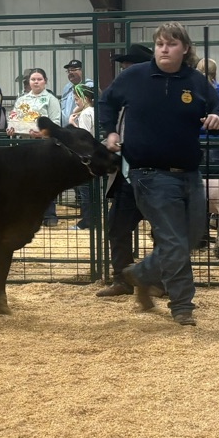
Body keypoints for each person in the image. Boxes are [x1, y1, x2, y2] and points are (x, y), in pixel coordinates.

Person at [99, 22, 219, 326]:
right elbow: (107, 101)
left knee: (191, 238)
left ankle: (141, 274)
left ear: (185, 49)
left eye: (171, 44)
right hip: (150, 174)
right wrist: (109, 132)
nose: (164, 49)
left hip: (189, 173)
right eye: (160, 44)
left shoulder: (197, 81)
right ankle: (182, 305)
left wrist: (217, 117)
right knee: (174, 241)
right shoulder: (134, 76)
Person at [96, 45, 155, 297]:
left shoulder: (158, 95)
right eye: (123, 69)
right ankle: (122, 279)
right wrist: (110, 133)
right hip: (126, 173)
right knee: (118, 227)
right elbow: (105, 104)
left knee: (163, 231)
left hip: (155, 173)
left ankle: (159, 281)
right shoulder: (121, 99)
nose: (124, 73)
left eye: (128, 68)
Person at [7, 68, 62, 227]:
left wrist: (42, 133)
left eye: (39, 79)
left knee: (46, 180)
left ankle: (49, 215)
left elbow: (56, 123)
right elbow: (14, 118)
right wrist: (11, 129)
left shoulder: (51, 100)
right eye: (33, 79)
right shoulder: (21, 100)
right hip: (25, 144)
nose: (36, 82)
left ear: (45, 81)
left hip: (44, 145)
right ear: (29, 82)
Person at [67, 83, 97, 231]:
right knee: (91, 191)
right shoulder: (93, 111)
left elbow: (83, 136)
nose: (76, 102)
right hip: (94, 154)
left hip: (86, 157)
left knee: (85, 192)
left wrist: (72, 124)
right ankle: (92, 219)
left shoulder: (85, 114)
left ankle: (87, 221)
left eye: (77, 99)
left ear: (85, 98)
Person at [60, 59, 94, 126]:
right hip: (66, 128)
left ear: (81, 71)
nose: (70, 72)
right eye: (68, 71)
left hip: (81, 126)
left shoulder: (89, 86)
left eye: (73, 70)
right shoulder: (66, 88)